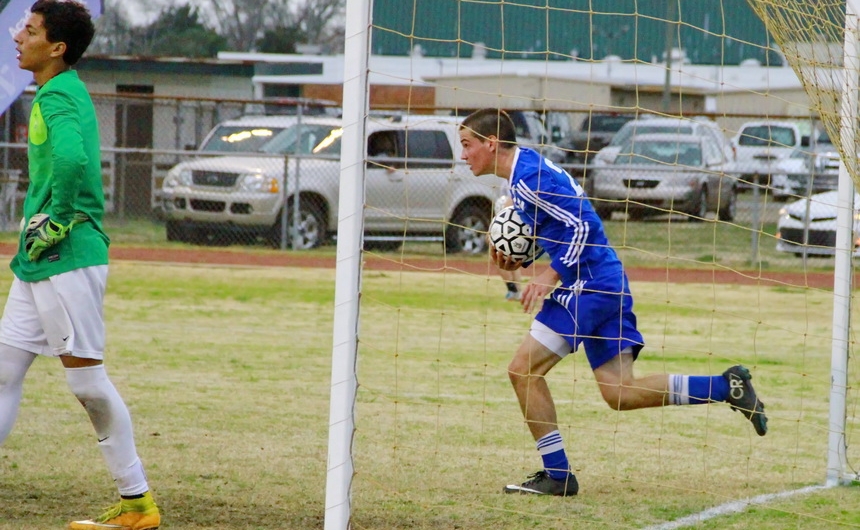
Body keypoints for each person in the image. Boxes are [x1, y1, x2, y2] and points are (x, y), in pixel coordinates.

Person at [458, 108, 767, 497]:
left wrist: (549, 275)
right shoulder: (526, 177)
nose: (464, 155)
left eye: (467, 145)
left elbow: (584, 225)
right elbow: (553, 230)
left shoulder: (530, 178)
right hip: (605, 280)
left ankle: (557, 474)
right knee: (619, 392)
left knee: (522, 371)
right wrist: (510, 253)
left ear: (491, 143)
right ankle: (726, 387)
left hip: (587, 284)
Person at [1, 2, 160, 528]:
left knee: (88, 384)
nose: (19, 35)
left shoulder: (59, 94)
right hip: (40, 258)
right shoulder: (54, 90)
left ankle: (137, 502)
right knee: (3, 372)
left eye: (31, 29)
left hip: (64, 256)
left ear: (57, 47)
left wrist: (57, 221)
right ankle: (135, 503)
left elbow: (72, 161)